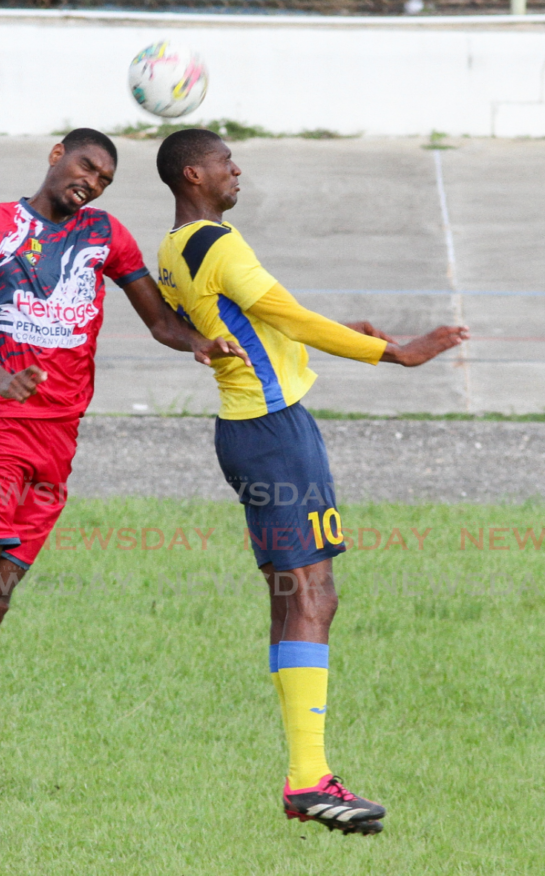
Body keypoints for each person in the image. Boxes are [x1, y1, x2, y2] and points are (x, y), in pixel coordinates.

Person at [0, 128, 250, 852]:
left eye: (106, 178)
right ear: (57, 155)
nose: (92, 182)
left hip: (60, 439)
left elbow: (155, 320)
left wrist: (198, 342)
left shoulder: (105, 236)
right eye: (86, 166)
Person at [154, 129, 469, 835]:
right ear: (194, 173)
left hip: (248, 431)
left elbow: (244, 324)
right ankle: (306, 779)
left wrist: (318, 334)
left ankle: (306, 771)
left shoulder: (172, 251)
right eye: (228, 161)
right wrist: (392, 353)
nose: (239, 170)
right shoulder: (215, 243)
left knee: (293, 596)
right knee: (313, 597)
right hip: (274, 435)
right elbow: (281, 314)